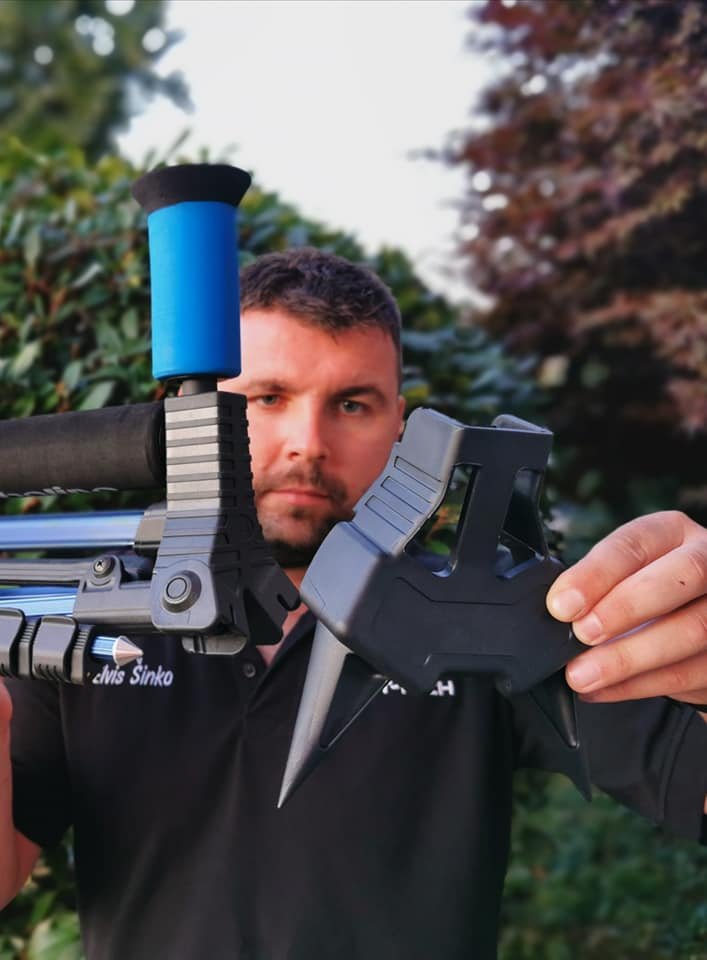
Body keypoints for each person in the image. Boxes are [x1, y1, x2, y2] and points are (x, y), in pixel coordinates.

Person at [1, 248, 706, 960]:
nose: (308, 445)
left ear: (399, 426)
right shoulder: (83, 609)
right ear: (189, 421)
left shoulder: (488, 609)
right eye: (266, 398)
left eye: (351, 404)